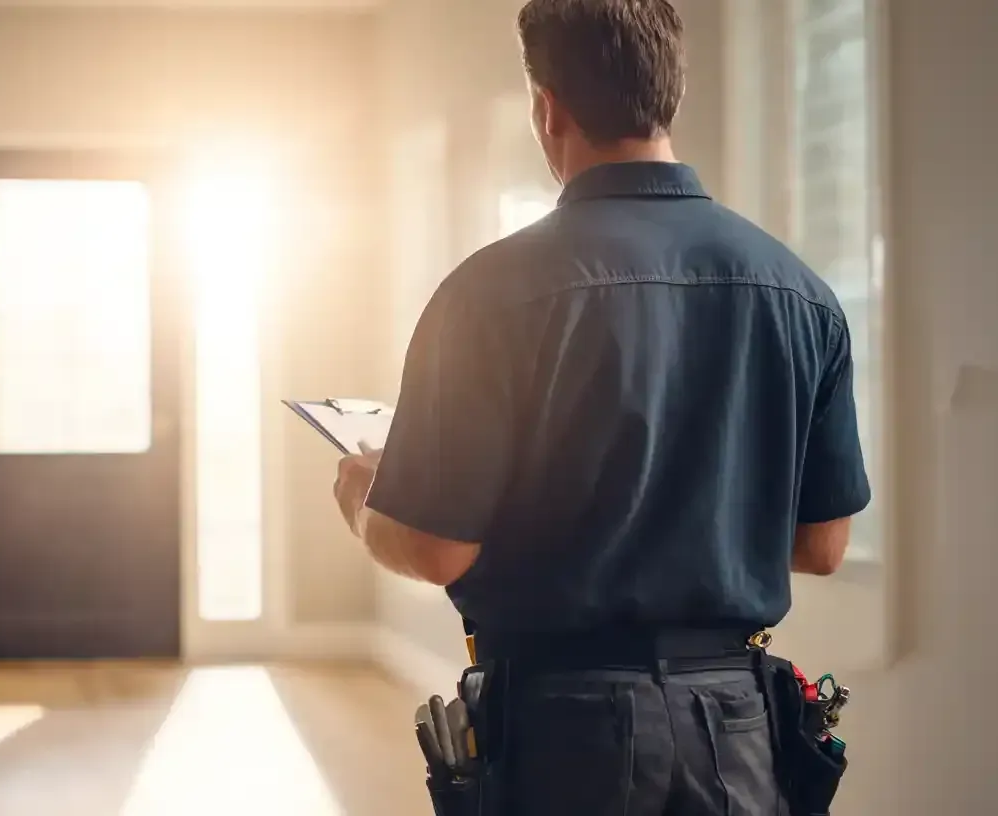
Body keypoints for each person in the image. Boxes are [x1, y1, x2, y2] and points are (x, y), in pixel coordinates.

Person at [330, 0, 872, 813]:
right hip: (741, 729)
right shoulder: (799, 292)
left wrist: (363, 502)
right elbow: (822, 543)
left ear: (548, 108)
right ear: (671, 94)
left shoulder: (487, 296)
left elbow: (437, 550)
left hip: (565, 730)